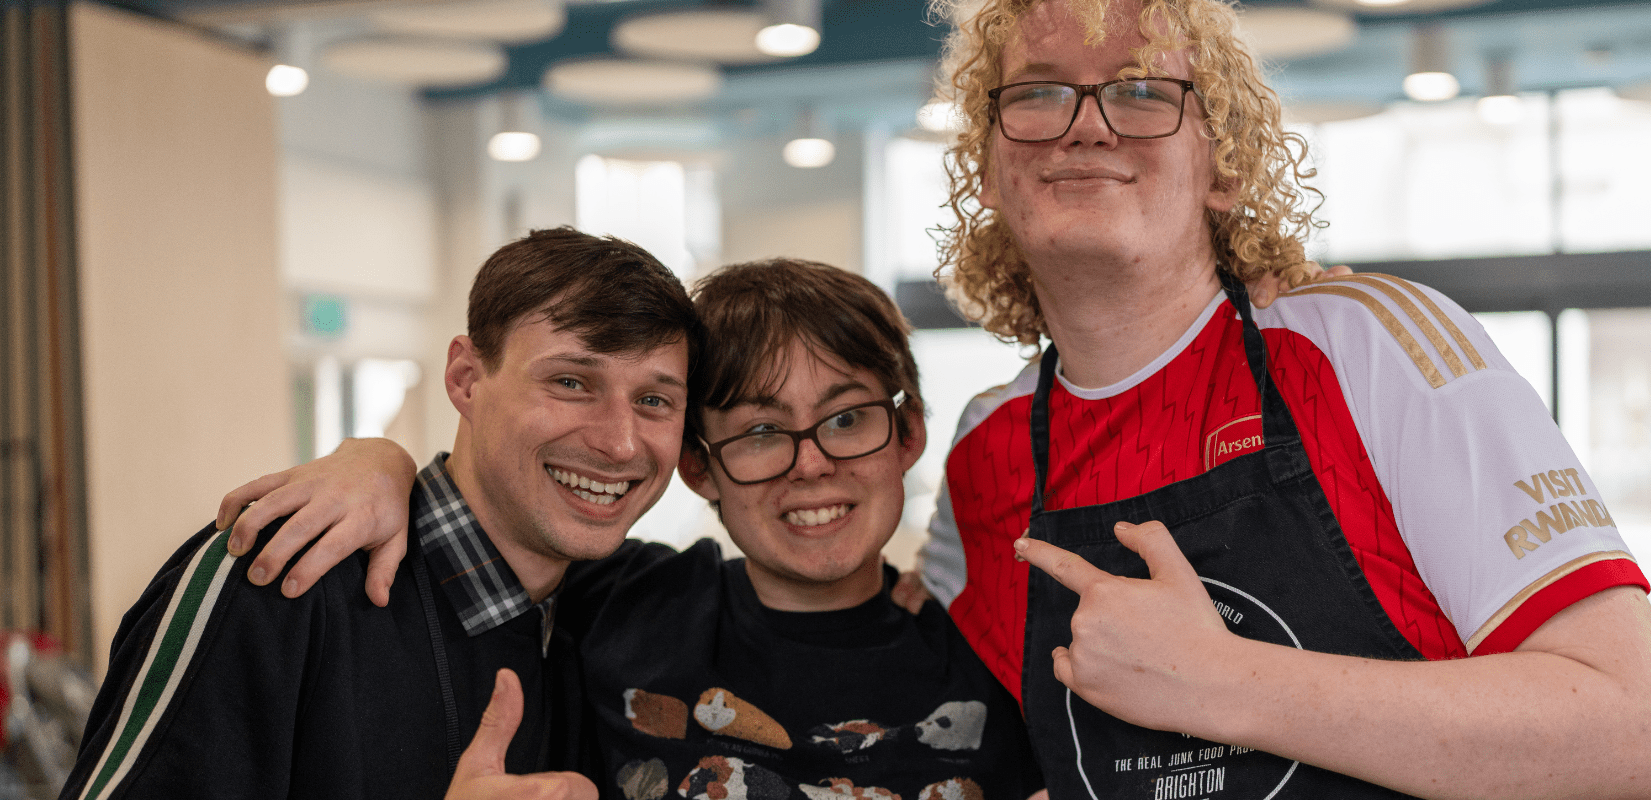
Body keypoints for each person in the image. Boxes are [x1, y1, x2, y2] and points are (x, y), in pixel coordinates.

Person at [908, 0, 1651, 796]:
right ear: (986, 164)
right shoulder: (984, 449)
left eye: (1141, 90)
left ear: (1225, 165)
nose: (1087, 125)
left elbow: (1637, 732)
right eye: (1038, 92)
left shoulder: (1371, 351)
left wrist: (1223, 679)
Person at [211, 259, 1042, 800]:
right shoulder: (618, 602)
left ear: (909, 435)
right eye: (757, 431)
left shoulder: (1000, 656)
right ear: (699, 466)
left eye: (847, 420)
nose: (810, 463)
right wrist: (377, 461)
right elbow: (493, 521)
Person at [60, 227, 699, 800]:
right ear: (467, 380)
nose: (619, 442)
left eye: (653, 400)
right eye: (570, 383)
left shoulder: (622, 606)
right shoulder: (281, 575)